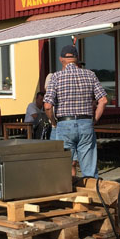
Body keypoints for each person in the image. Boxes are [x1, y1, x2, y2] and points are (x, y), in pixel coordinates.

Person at [44, 44, 108, 178]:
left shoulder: (56, 77)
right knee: (89, 170)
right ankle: (91, 189)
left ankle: (65, 190)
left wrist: (53, 122)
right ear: (77, 58)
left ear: (61, 59)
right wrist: (95, 119)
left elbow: (48, 106)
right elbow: (103, 100)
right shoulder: (90, 74)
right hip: (86, 123)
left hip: (64, 123)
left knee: (63, 170)